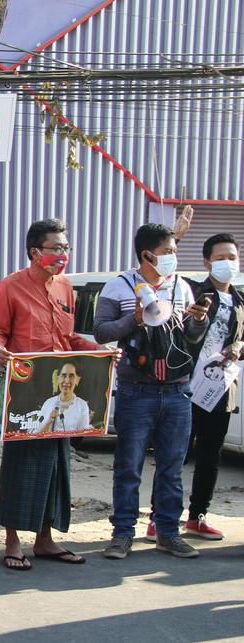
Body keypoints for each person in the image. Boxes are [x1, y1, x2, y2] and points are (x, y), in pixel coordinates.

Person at [0, 219, 106, 570]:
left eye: (66, 248)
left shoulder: (66, 286)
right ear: (36, 252)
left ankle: (46, 540)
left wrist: (99, 349)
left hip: (62, 391)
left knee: (56, 467)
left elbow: (70, 340)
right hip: (25, 392)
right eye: (57, 248)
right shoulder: (11, 286)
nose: (63, 254)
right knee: (21, 465)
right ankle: (12, 542)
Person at [94, 223, 210, 559]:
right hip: (136, 390)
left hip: (177, 391)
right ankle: (122, 534)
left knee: (172, 466)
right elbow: (101, 331)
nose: (174, 257)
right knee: (128, 465)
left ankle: (168, 532)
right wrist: (135, 320)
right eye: (168, 252)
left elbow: (190, 337)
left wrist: (198, 320)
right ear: (147, 255)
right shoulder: (119, 286)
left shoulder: (182, 288)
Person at [177, 233, 244, 540]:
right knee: (175, 455)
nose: (227, 263)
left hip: (219, 391)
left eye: (232, 257)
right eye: (220, 258)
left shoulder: (241, 301)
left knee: (210, 456)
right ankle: (161, 516)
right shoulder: (193, 293)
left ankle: (198, 517)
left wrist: (238, 347)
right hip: (186, 387)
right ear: (206, 262)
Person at [34, 363, 91, 434]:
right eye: (63, 375)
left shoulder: (82, 405)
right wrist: (49, 422)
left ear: (77, 380)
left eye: (71, 376)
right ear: (58, 378)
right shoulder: (48, 403)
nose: (67, 381)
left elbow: (83, 435)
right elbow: (37, 434)